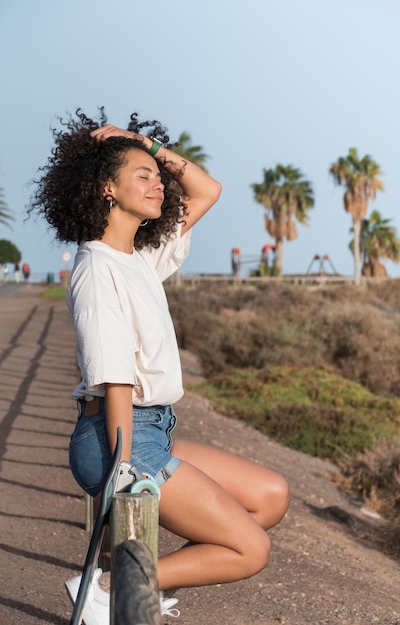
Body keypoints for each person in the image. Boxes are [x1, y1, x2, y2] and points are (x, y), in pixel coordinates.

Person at [31, 109, 290, 622]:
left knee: (271, 497)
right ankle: (104, 587)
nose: (159, 185)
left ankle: (124, 582)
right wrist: (125, 472)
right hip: (116, 438)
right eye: (142, 176)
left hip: (154, 428)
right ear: (108, 189)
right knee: (250, 549)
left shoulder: (140, 257)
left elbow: (206, 189)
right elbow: (114, 378)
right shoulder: (95, 268)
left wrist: (140, 144)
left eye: (157, 175)